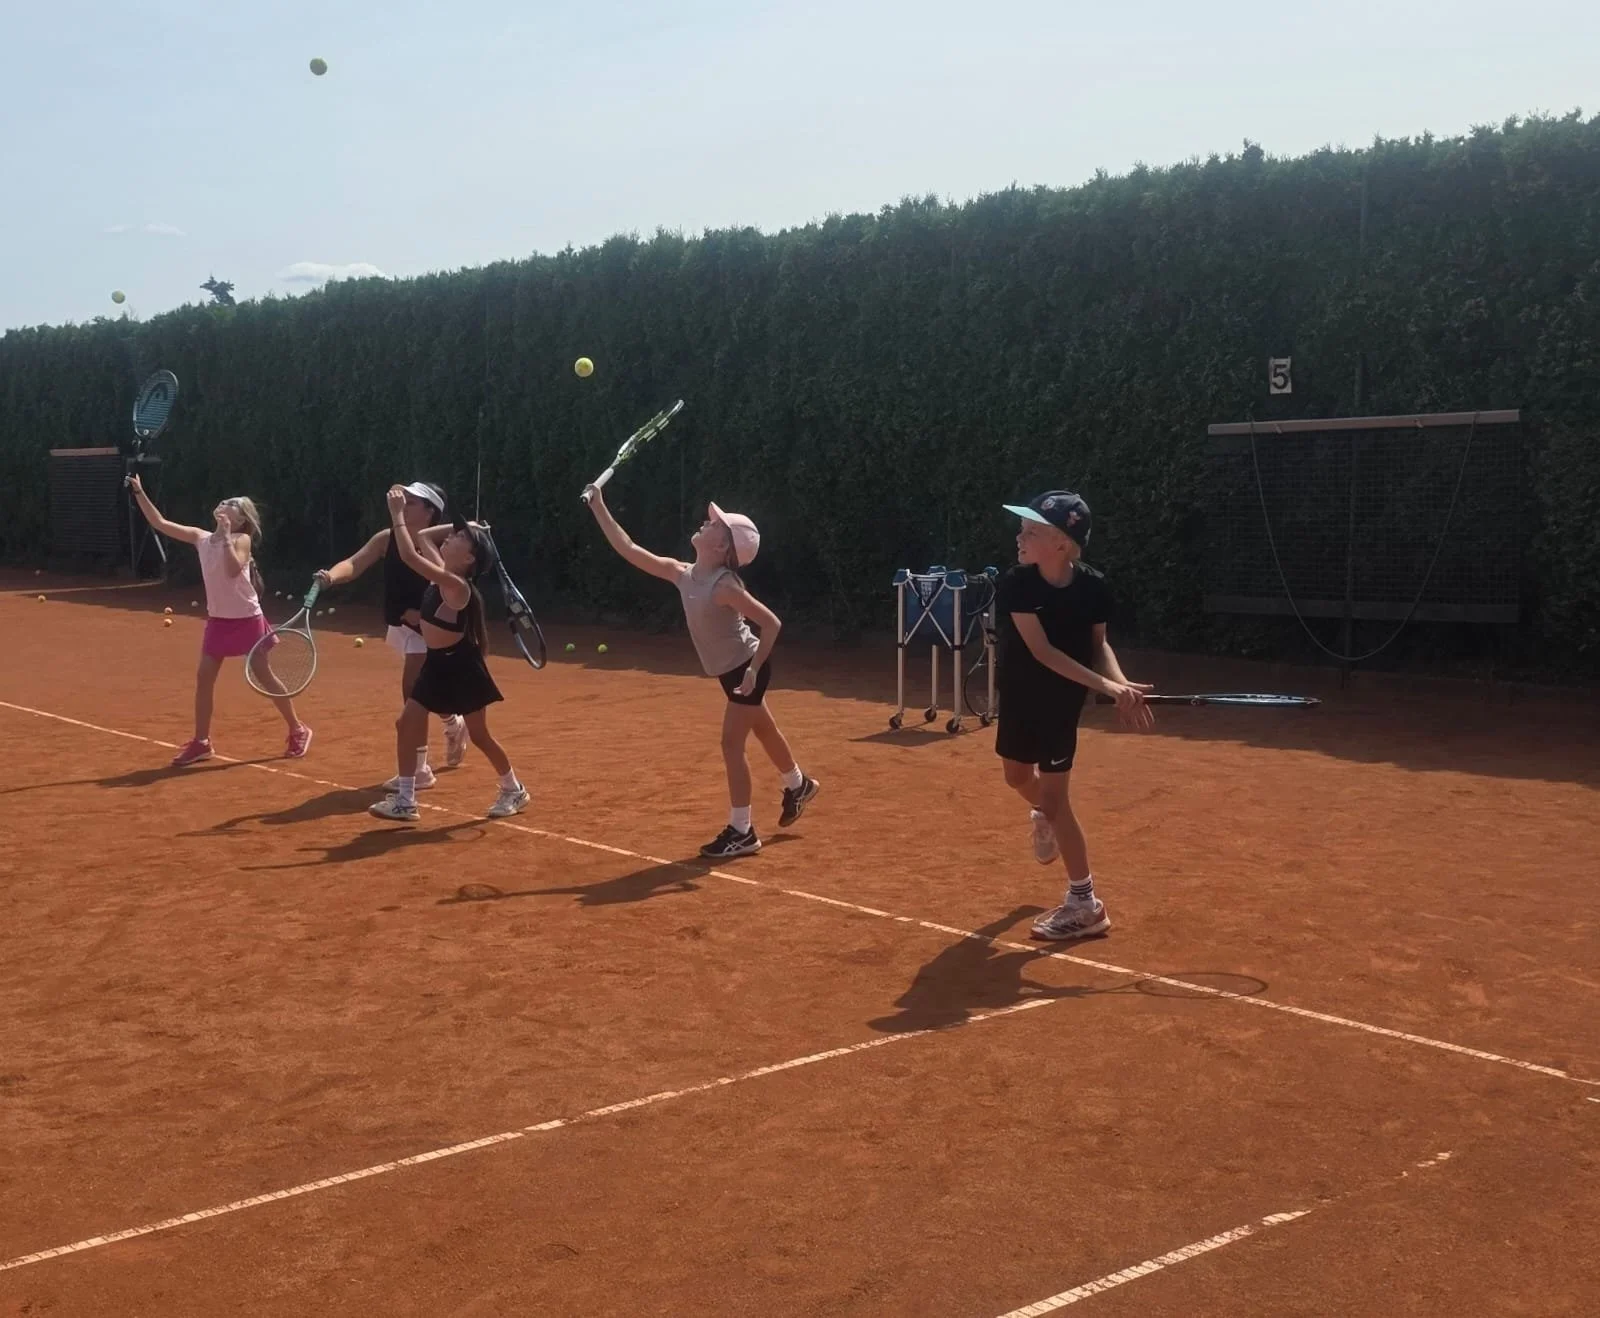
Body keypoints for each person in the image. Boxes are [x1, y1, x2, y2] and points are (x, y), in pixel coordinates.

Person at [583, 488, 818, 858]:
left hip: (746, 668)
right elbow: (628, 548)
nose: (704, 523)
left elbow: (771, 624)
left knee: (730, 744)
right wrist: (599, 506)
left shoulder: (724, 586)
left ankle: (742, 831)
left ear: (723, 548)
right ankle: (798, 784)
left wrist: (754, 672)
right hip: (730, 671)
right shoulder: (683, 573)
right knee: (763, 728)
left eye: (712, 524)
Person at [993, 490, 1153, 940]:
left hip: (1061, 703)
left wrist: (1120, 680)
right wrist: (1108, 686)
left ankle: (1085, 903)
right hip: (1020, 695)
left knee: (1057, 798)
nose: (1020, 537)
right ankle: (1044, 814)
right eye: (1022, 529)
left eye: (1032, 531)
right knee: (1017, 778)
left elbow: (1097, 643)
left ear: (1061, 542)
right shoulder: (1016, 584)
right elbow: (1041, 651)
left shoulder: (1093, 587)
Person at [127, 474, 311, 765]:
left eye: (234, 504)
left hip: (247, 618)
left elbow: (232, 570)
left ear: (241, 520)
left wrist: (225, 536)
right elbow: (160, 523)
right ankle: (202, 742)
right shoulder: (200, 537)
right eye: (225, 500)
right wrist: (139, 492)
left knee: (264, 676)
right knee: (204, 678)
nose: (226, 503)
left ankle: (298, 729)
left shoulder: (241, 539)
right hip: (218, 620)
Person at [368, 488, 528, 822]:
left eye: (459, 538)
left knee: (481, 735)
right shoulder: (445, 568)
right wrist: (468, 526)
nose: (451, 537)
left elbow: (411, 555)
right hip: (436, 665)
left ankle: (513, 788)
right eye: (453, 534)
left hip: (463, 668)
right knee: (406, 723)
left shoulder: (456, 585)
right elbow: (425, 534)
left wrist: (396, 514)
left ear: (469, 559)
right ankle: (406, 800)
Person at [315, 482, 467, 788]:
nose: (404, 503)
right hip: (401, 627)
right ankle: (452, 722)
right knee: (425, 694)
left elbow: (449, 589)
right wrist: (331, 576)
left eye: (412, 501)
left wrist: (423, 615)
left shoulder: (437, 545)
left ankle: (420, 770)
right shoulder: (386, 538)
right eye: (404, 499)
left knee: (413, 691)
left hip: (430, 630)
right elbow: (355, 563)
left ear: (430, 513)